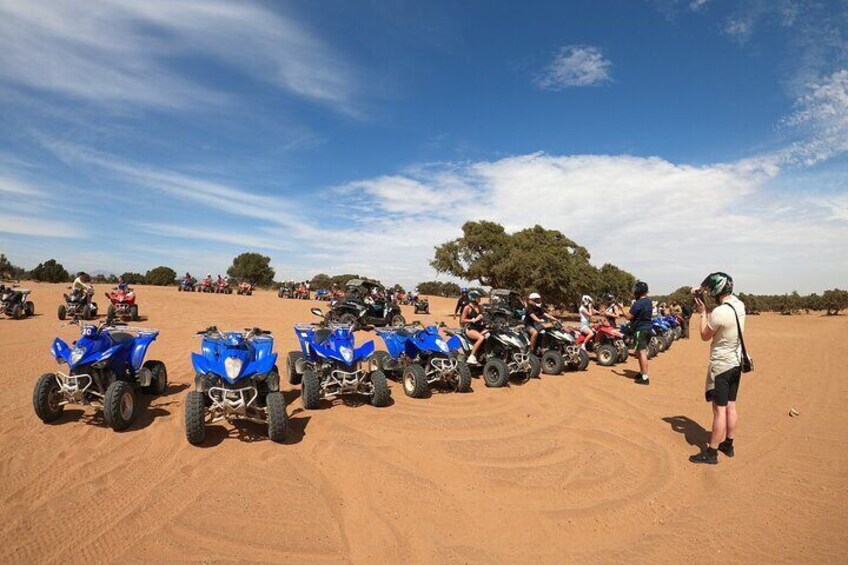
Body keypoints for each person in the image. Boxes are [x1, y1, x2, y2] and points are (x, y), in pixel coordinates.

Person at [689, 272, 746, 465]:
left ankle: (711, 452)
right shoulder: (739, 305)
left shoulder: (719, 313)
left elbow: (705, 335)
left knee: (719, 410)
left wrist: (702, 312)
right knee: (731, 405)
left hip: (721, 366)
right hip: (736, 363)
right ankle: (728, 444)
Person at [621, 281, 652, 385]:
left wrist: (621, 308)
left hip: (641, 330)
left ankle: (645, 377)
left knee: (642, 352)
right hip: (648, 328)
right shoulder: (648, 301)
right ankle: (642, 372)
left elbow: (629, 316)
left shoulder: (638, 303)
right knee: (639, 352)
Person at [461, 290, 487, 365]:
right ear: (473, 298)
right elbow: (462, 320)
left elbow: (483, 315)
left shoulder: (480, 307)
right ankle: (471, 356)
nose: (479, 299)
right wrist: (472, 320)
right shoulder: (467, 307)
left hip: (480, 327)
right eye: (478, 297)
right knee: (481, 338)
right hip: (470, 328)